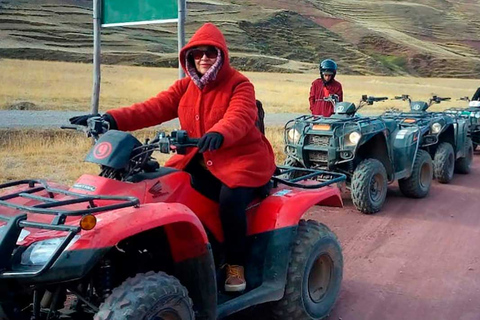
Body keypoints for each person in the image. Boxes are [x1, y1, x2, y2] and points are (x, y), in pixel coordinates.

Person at [70, 23, 277, 293]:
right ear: (189, 57)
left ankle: (235, 264)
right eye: (197, 53)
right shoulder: (184, 87)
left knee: (230, 201)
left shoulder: (239, 84)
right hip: (199, 160)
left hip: (241, 162)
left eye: (211, 53)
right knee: (162, 189)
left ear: (221, 56)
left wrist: (220, 133)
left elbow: (240, 116)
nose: (204, 58)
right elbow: (150, 108)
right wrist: (110, 118)